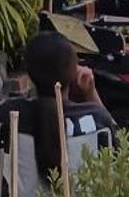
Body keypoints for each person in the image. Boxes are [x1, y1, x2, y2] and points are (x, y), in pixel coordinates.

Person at [21, 29, 119, 181]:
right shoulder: (97, 118)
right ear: (74, 70)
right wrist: (91, 93)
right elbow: (120, 154)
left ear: (28, 72)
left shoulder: (9, 116)